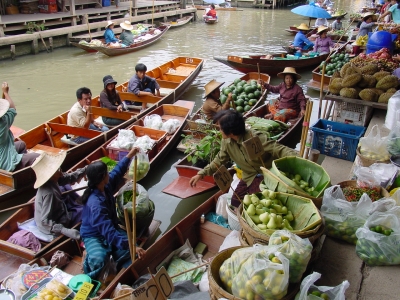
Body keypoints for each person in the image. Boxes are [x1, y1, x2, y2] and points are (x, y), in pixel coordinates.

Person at [189, 110, 298, 207]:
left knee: (256, 202)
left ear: (231, 131)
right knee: (235, 202)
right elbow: (219, 159)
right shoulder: (226, 142)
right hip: (248, 176)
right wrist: (201, 173)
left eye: (221, 128)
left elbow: (277, 149)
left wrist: (299, 157)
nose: (219, 131)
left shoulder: (254, 137)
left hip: (266, 173)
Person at [80, 147, 146, 279]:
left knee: (135, 248)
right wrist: (131, 245)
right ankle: (91, 273)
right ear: (103, 177)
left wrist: (130, 155)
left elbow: (117, 171)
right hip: (94, 235)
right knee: (100, 258)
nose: (109, 174)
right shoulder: (95, 204)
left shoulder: (105, 187)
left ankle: (114, 262)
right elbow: (108, 232)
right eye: (107, 173)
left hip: (109, 230)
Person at [32, 151, 86, 240]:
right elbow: (45, 221)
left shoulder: (53, 179)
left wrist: (84, 170)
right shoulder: (49, 193)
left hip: (60, 210)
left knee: (66, 187)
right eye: (58, 170)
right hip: (53, 223)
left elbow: (67, 177)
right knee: (86, 210)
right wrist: (63, 230)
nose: (61, 172)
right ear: (51, 175)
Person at [0, 82, 39, 172]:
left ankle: (24, 168)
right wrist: (5, 93)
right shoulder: (3, 123)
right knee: (38, 157)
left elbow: (7, 111)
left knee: (21, 144)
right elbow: (13, 109)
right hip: (5, 163)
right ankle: (18, 169)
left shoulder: (3, 121)